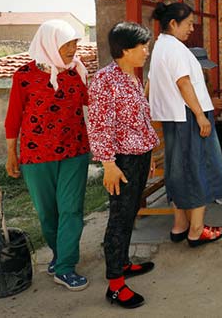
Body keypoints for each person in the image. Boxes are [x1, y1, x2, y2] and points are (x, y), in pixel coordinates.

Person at [4, 19, 90, 291]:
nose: (73, 48)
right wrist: (11, 153)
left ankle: (65, 267)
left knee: (71, 210)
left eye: (75, 42)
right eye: (67, 43)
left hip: (75, 151)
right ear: (50, 43)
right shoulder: (25, 76)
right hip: (36, 156)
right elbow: (13, 117)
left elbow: (91, 107)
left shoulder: (77, 72)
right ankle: (59, 253)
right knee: (48, 213)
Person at [88, 22, 158, 308]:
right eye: (142, 46)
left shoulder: (130, 77)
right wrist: (108, 163)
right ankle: (115, 285)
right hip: (120, 161)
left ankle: (124, 262)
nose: (146, 51)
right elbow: (99, 125)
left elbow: (141, 120)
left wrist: (150, 154)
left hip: (139, 156)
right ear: (125, 49)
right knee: (119, 217)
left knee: (130, 213)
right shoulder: (105, 80)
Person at [148, 2, 222, 246]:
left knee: (178, 170)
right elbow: (184, 83)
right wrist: (201, 116)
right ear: (173, 23)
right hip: (189, 115)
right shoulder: (175, 49)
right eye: (189, 23)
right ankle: (197, 229)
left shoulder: (160, 46)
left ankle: (179, 225)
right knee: (198, 167)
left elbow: (149, 85)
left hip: (173, 117)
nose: (192, 28)